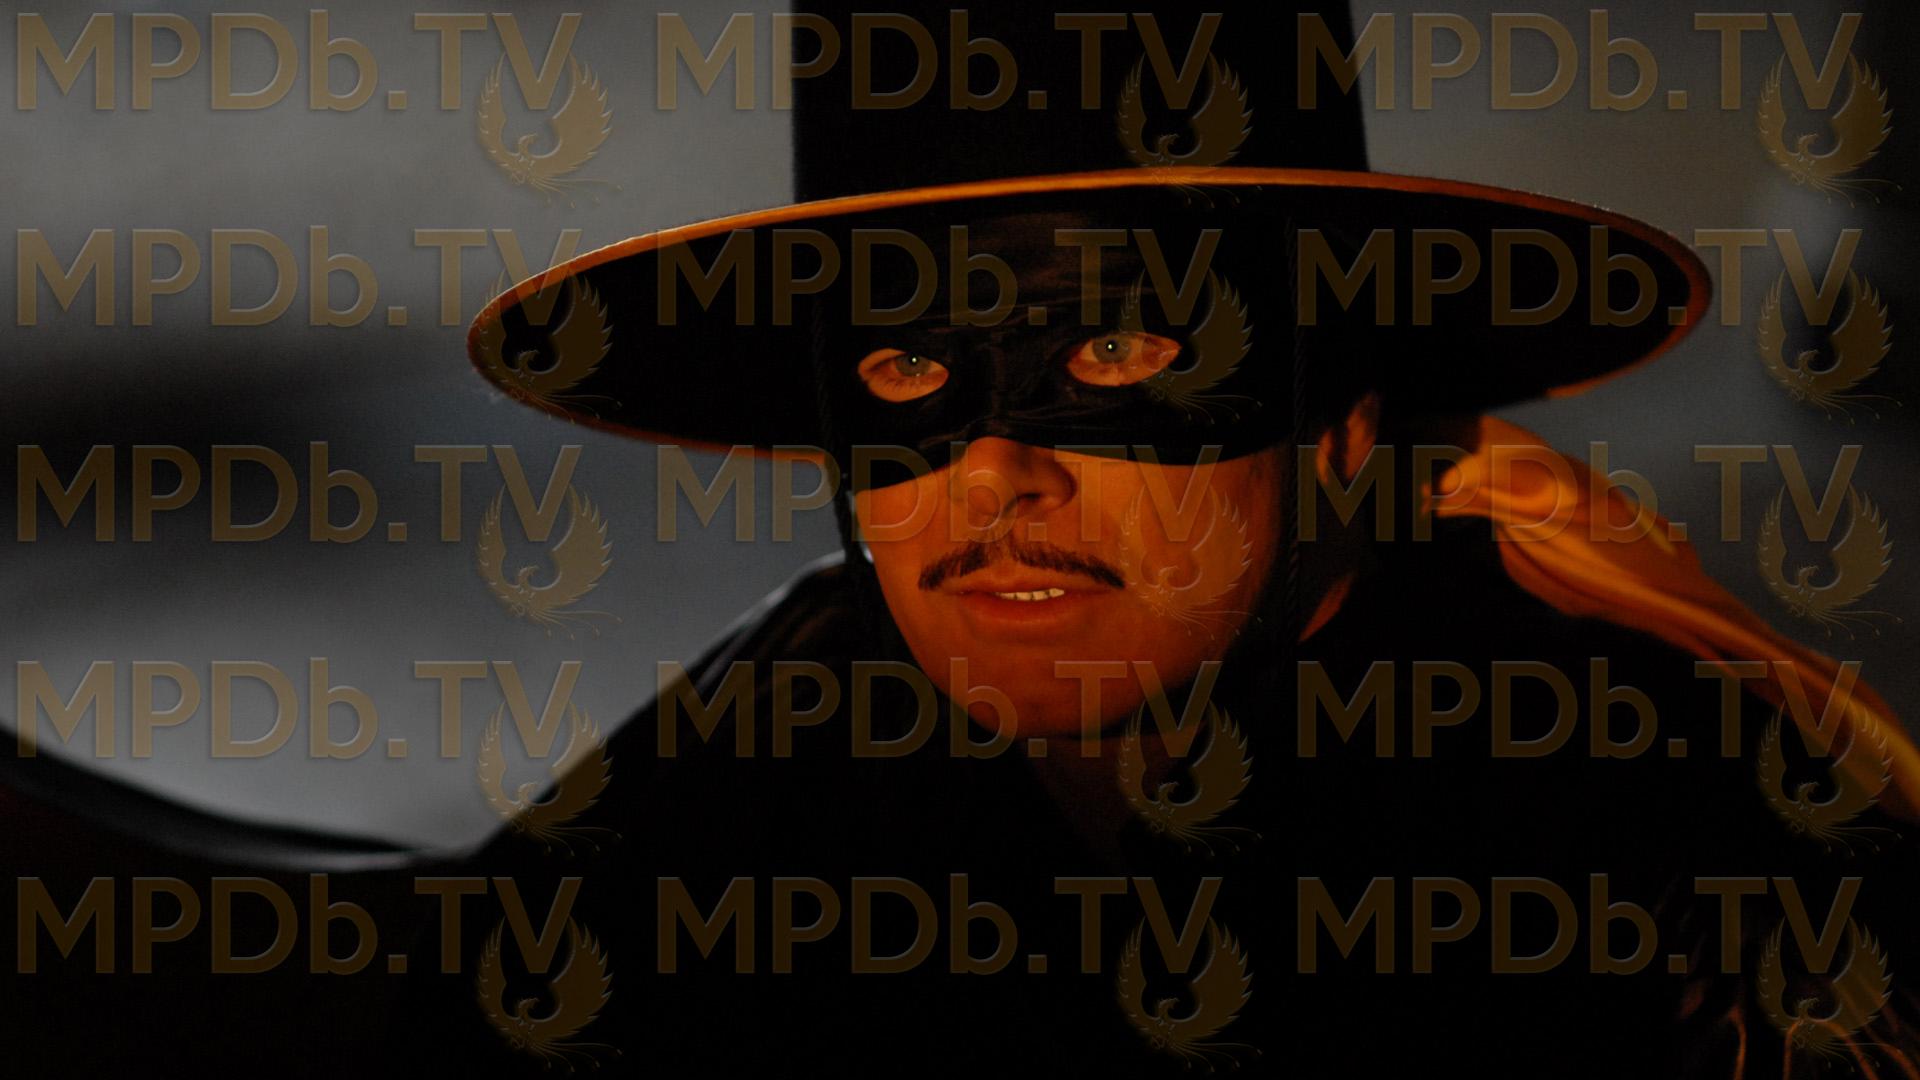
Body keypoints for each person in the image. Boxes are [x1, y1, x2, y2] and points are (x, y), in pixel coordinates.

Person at [430, 3, 1920, 1075]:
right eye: (907, 370)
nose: (995, 475)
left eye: (1115, 353)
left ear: (1338, 419)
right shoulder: (777, 737)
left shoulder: (1655, 838)